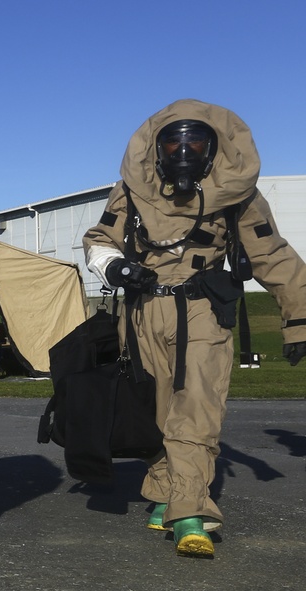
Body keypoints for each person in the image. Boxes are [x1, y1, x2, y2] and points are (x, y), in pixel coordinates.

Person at [83, 99, 306, 558]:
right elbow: (99, 240)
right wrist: (119, 270)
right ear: (156, 148)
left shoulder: (235, 195)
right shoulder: (130, 192)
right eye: (173, 141)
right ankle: (165, 490)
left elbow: (272, 255)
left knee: (197, 408)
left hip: (203, 310)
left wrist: (298, 319)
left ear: (213, 148)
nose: (183, 150)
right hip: (142, 313)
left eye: (195, 141)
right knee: (154, 408)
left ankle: (190, 510)